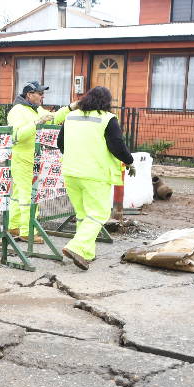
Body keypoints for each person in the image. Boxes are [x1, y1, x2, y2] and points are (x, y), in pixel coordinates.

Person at [57, 86, 135, 270]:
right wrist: (129, 161)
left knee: (83, 214)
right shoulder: (107, 119)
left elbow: (60, 143)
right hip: (95, 175)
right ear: (107, 102)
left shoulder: (71, 116)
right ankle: (76, 246)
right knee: (98, 213)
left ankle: (86, 253)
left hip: (70, 172)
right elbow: (117, 145)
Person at [7, 81, 74, 243]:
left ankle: (14, 226)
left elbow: (53, 118)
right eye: (39, 93)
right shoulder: (17, 111)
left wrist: (70, 108)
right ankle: (27, 231)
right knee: (27, 195)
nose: (42, 96)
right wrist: (37, 123)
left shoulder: (35, 110)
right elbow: (16, 136)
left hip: (32, 159)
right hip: (22, 159)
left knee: (18, 195)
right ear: (29, 95)